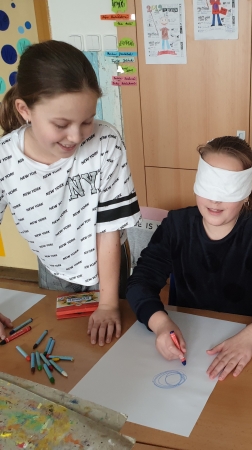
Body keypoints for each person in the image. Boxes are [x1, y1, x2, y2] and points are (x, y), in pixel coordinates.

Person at [127, 136, 252, 380]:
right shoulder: (176, 226)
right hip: (189, 340)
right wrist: (160, 324)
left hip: (251, 346)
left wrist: (251, 337)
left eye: (227, 189)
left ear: (246, 193)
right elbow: (140, 282)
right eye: (209, 185)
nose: (215, 200)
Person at [0, 40, 140, 345]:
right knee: (62, 341)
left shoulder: (105, 142)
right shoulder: (4, 158)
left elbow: (109, 230)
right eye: (61, 124)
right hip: (53, 267)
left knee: (112, 341)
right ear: (24, 110)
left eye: (87, 120)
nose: (76, 136)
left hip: (108, 262)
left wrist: (108, 304)